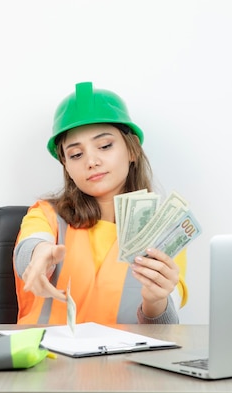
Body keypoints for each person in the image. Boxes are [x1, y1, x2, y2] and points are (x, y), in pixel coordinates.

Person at [13, 81, 188, 325]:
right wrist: (39, 254)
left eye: (105, 146)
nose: (92, 161)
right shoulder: (45, 215)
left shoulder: (165, 228)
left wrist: (156, 301)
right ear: (66, 165)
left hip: (125, 361)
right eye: (76, 154)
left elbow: (165, 329)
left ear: (132, 151)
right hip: (48, 358)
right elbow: (28, 249)